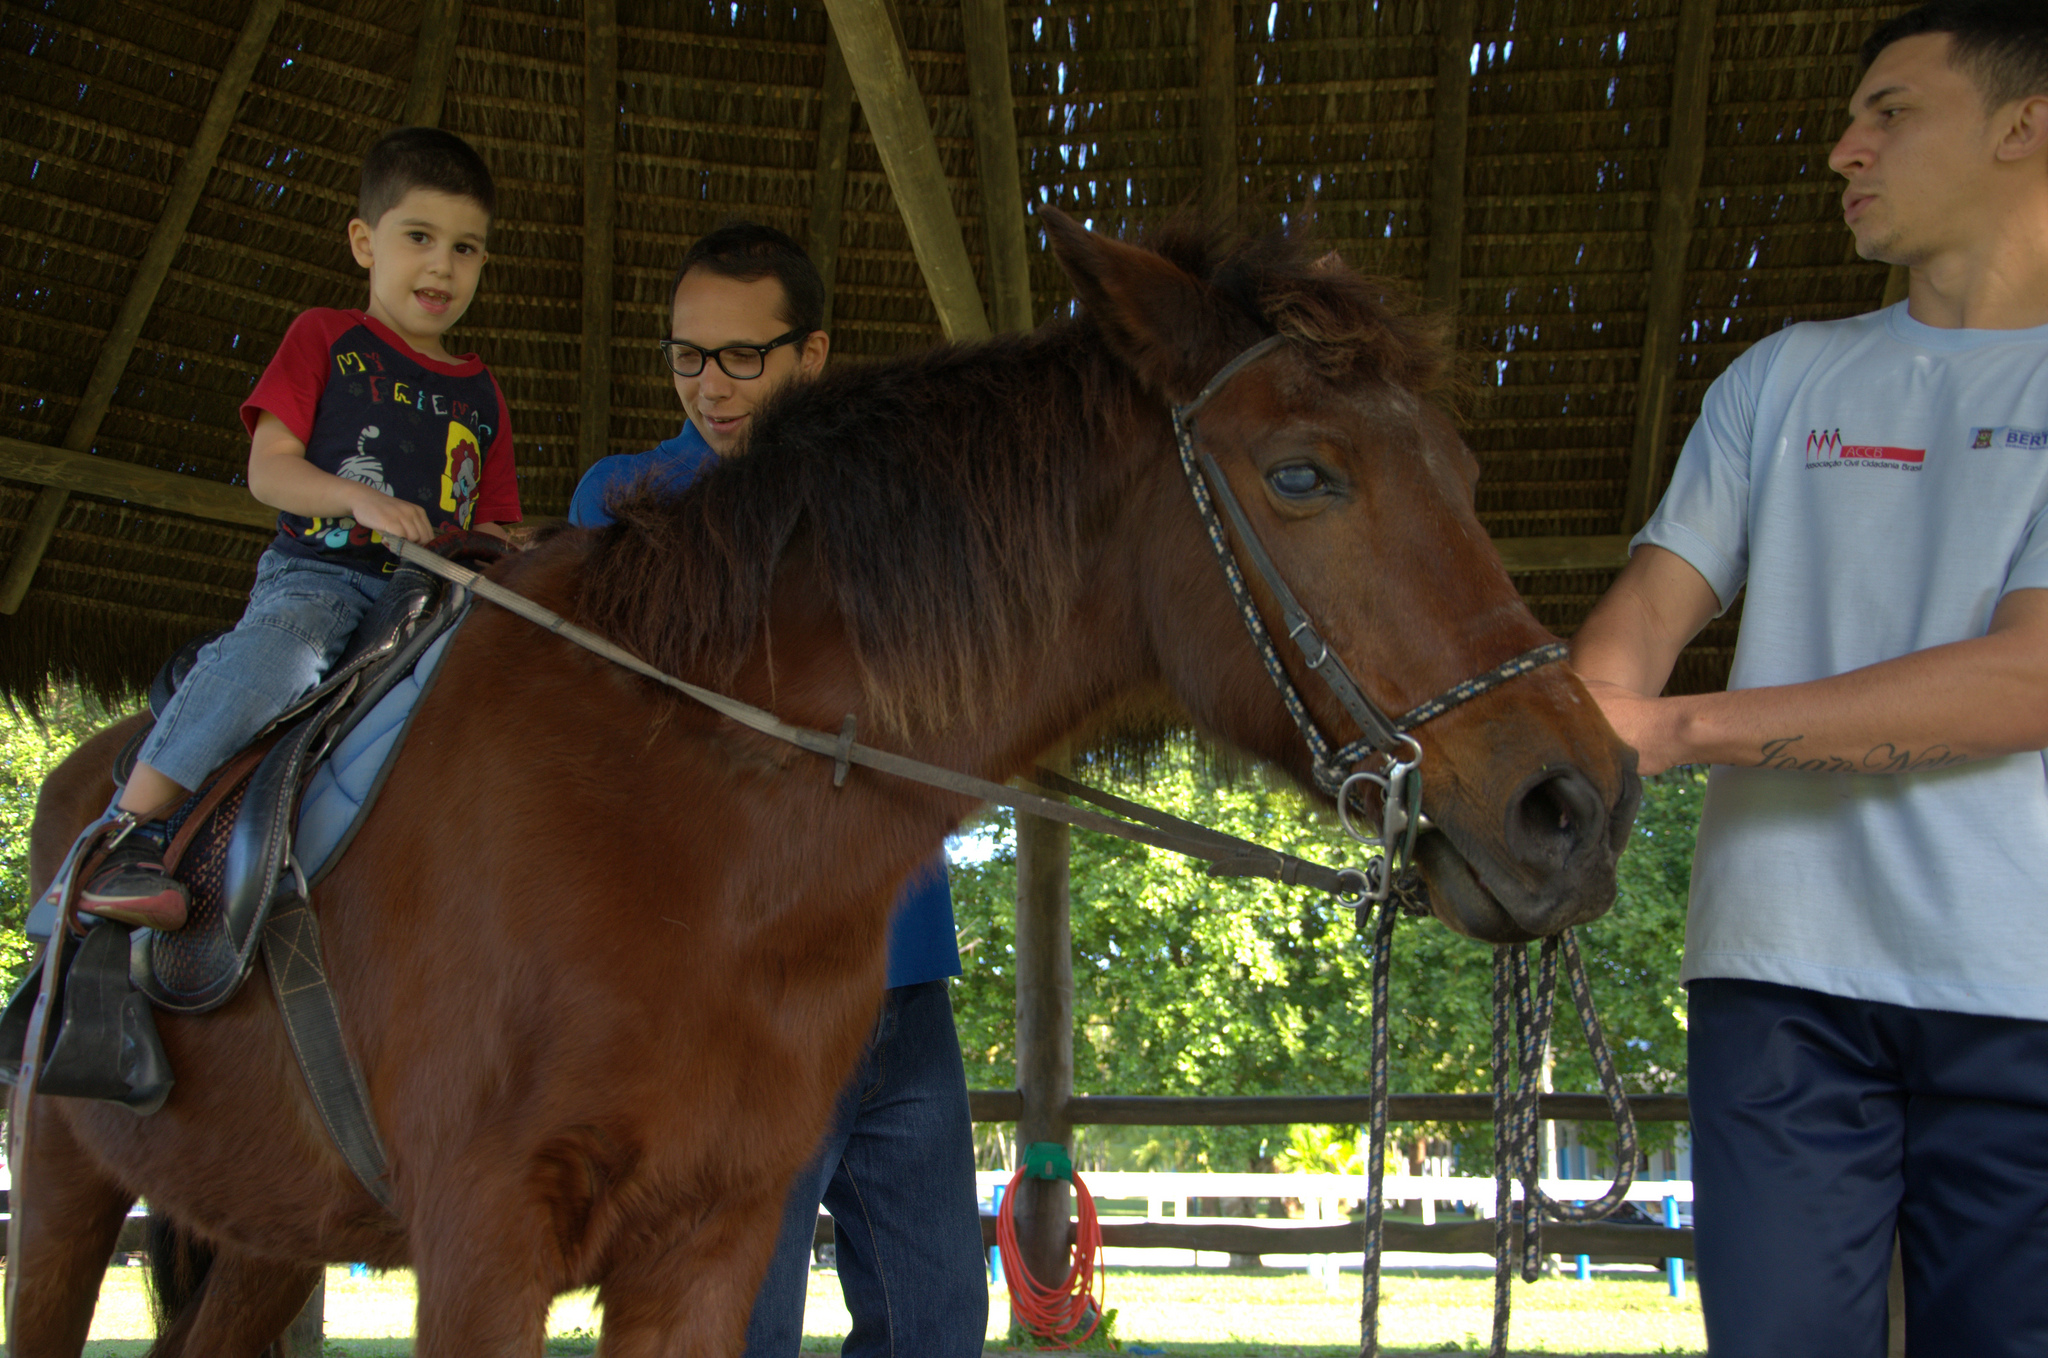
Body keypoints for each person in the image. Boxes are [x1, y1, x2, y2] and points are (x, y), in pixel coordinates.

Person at [1570, 3, 2048, 1353]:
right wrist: (1571, 753)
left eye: (1891, 112)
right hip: (1779, 985)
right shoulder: (1783, 376)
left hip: (2028, 993)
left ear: (2029, 123)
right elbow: (1642, 617)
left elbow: (2028, 675)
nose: (1846, 149)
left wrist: (1669, 729)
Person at [567, 221, 988, 1358]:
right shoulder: (625, 497)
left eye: (742, 356)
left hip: (902, 980)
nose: (711, 384)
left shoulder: (903, 504)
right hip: (733, 995)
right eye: (687, 355)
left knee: (937, 1323)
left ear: (811, 356)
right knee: (734, 1327)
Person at [79, 126, 521, 930]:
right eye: (418, 238)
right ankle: (125, 835)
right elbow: (268, 470)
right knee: (283, 657)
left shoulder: (483, 394)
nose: (441, 266)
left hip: (431, 605)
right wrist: (358, 500)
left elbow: (492, 522)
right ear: (365, 241)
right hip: (324, 579)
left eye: (466, 249)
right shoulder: (326, 339)